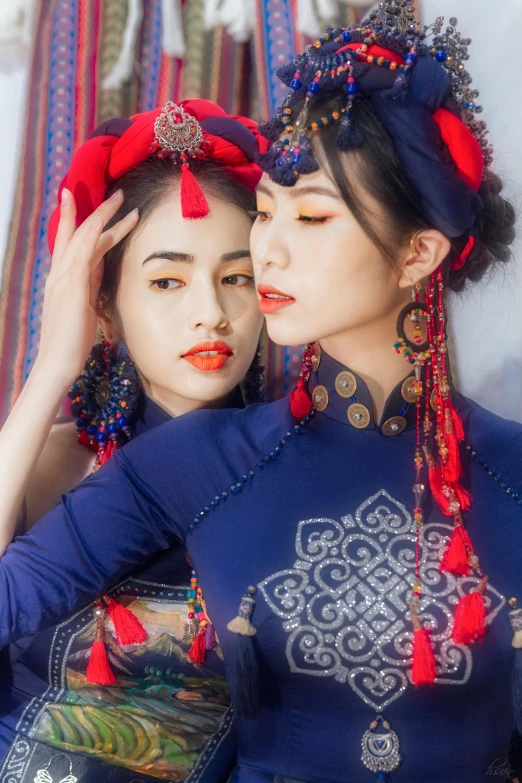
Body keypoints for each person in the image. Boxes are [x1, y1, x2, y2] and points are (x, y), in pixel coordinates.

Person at [0, 3, 520, 781]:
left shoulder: (508, 466)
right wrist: (51, 366)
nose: (267, 252)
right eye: (267, 216)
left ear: (419, 253)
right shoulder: (191, 463)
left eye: (310, 218)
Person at [0, 99, 267, 782]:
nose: (210, 312)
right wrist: (52, 365)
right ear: (106, 306)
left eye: (237, 278)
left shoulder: (293, 471)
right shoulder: (49, 465)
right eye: (167, 280)